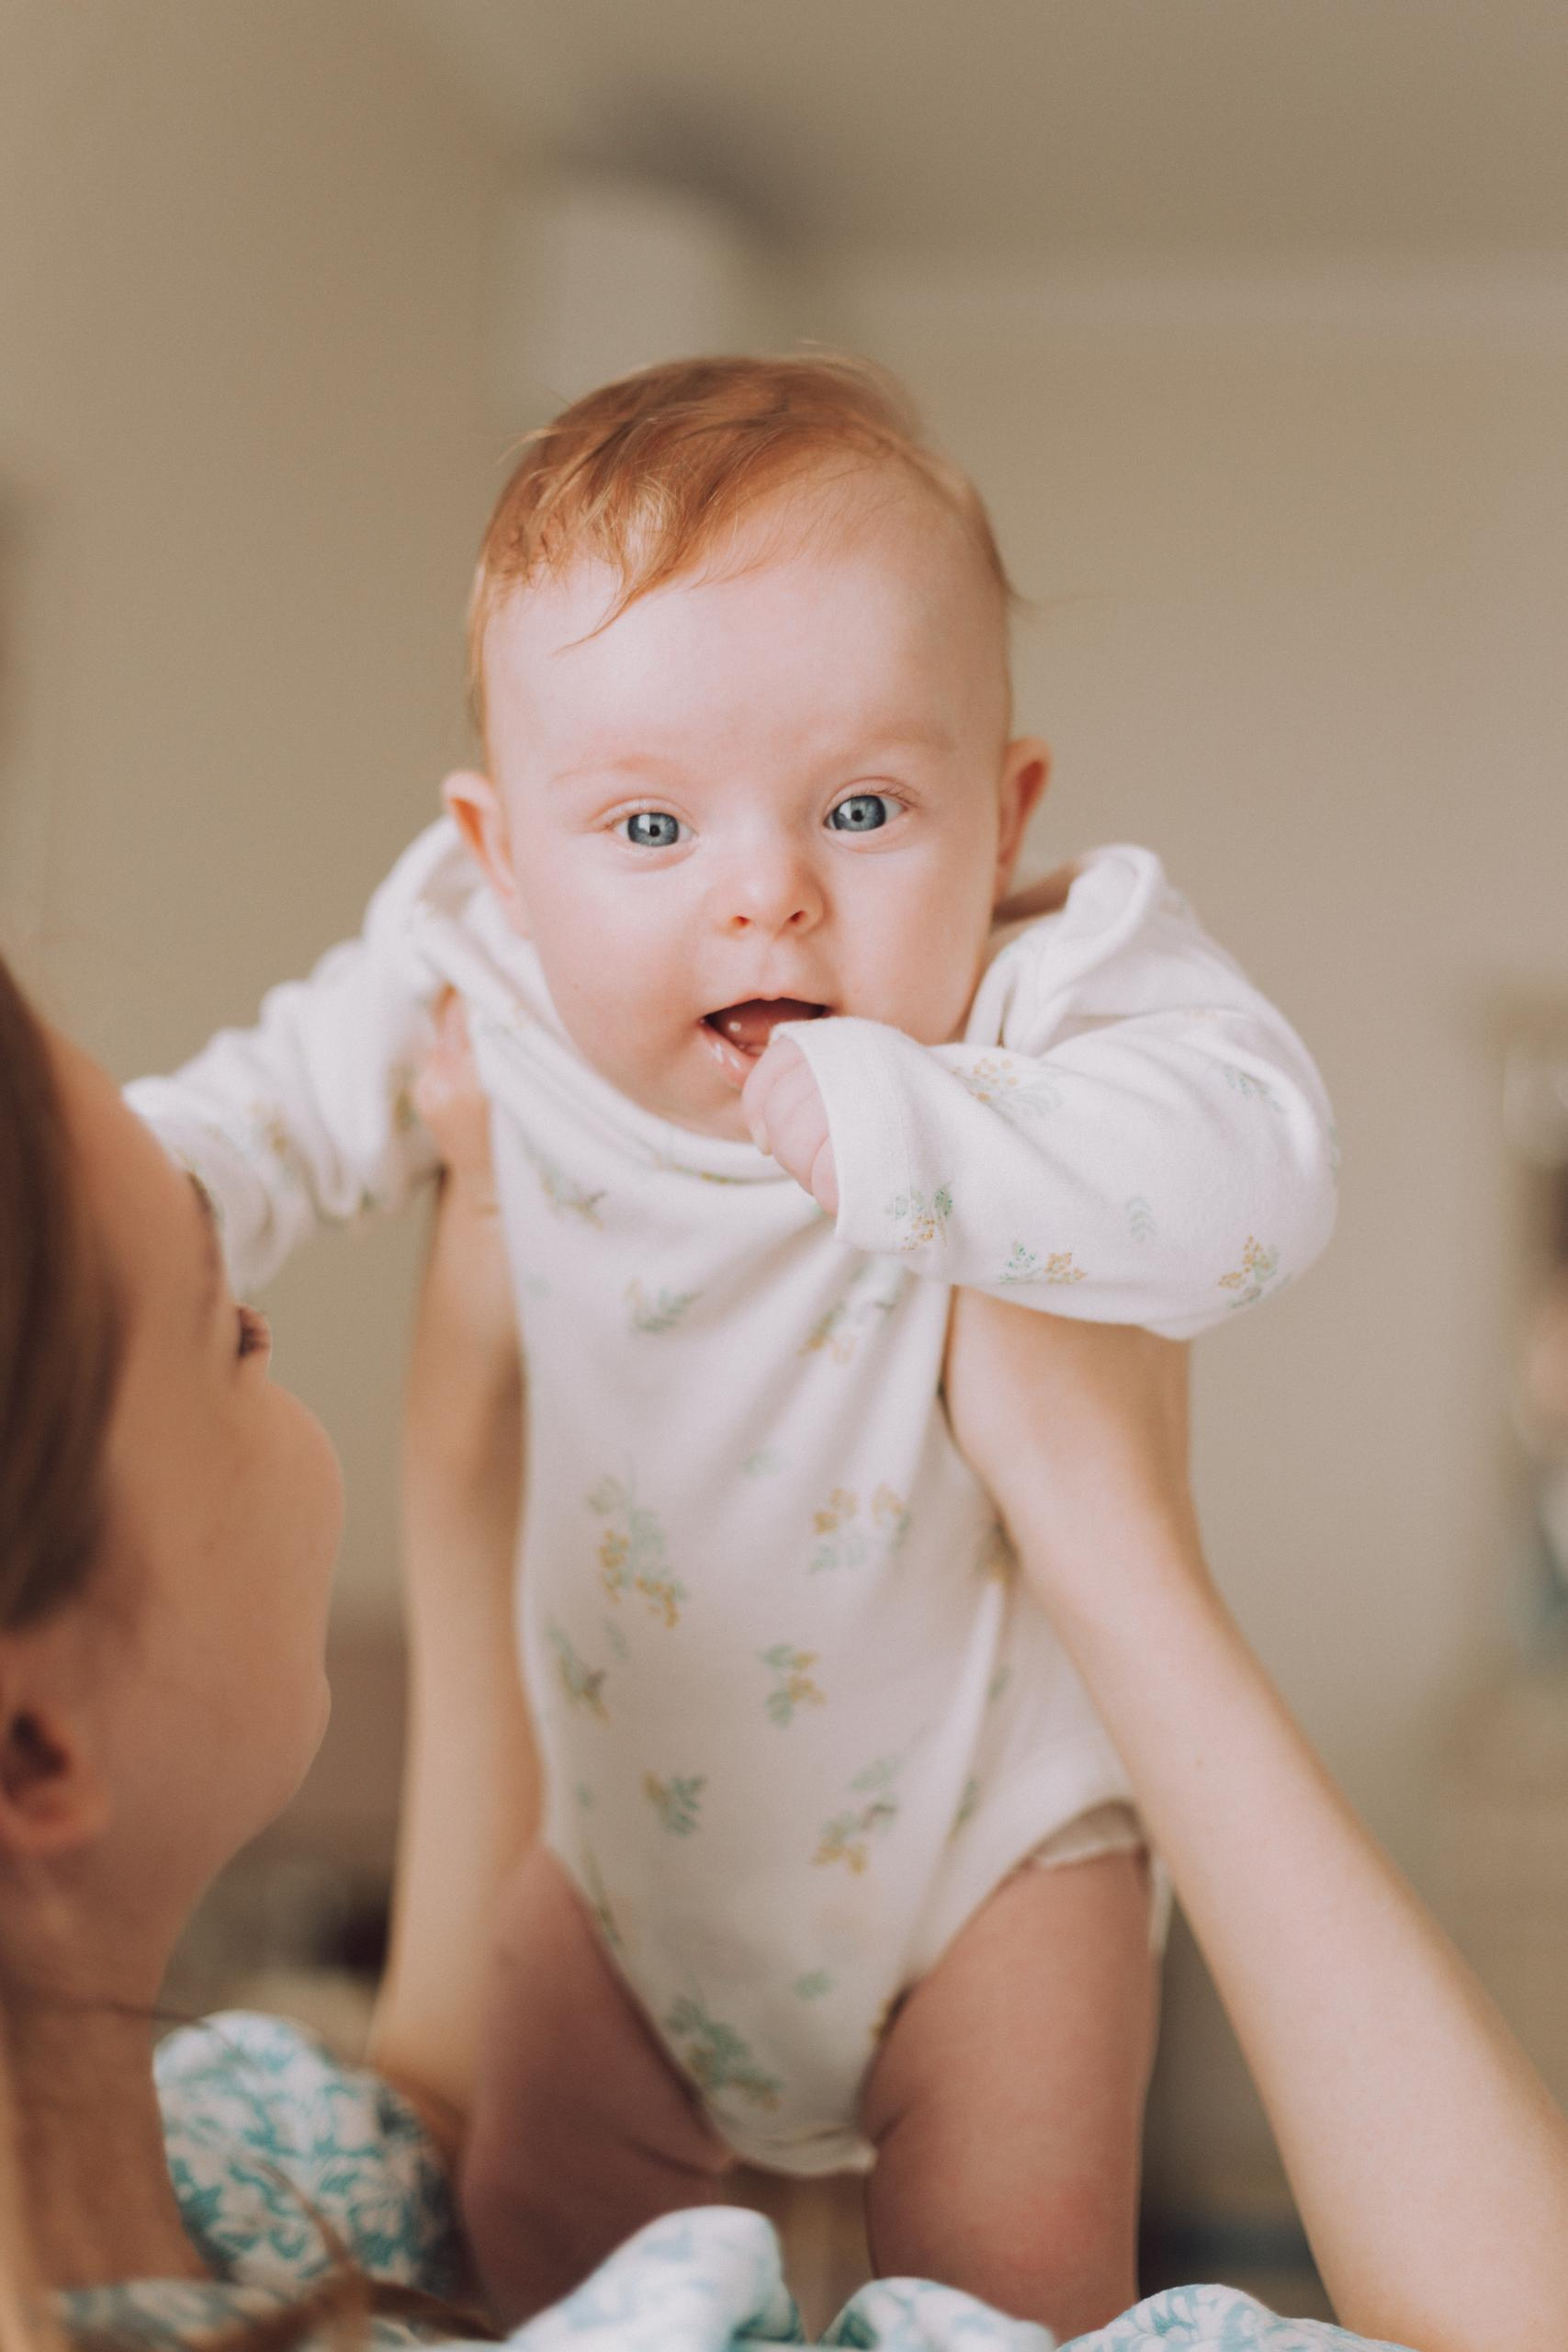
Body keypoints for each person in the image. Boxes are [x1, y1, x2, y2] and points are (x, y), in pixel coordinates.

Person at [123, 353, 1337, 2333]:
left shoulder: (1035, 996)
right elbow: (234, 1136)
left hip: (986, 1863)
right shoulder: (473, 969)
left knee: (1005, 2297)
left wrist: (929, 1130)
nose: (765, 888)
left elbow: (1264, 1173)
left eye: (861, 805)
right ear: (499, 848)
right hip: (619, 1877)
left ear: (1002, 801)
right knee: (539, 2274)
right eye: (647, 824)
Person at [3, 950, 1567, 2351]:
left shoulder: (213, 2171)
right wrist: (1117, 1536)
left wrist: (476, 1374)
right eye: (230, 1328)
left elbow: (432, 2136)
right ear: (35, 1749)